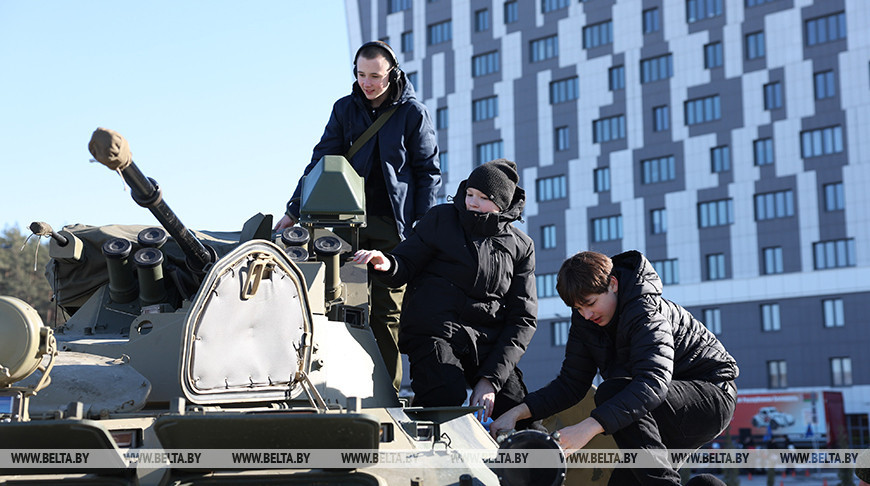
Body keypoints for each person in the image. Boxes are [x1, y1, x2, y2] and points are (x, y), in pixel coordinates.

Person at [489, 250, 739, 485]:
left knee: (612, 391)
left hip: (710, 396)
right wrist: (517, 413)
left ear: (613, 284)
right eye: (578, 308)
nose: (586, 314)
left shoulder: (646, 311)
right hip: (651, 409)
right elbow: (570, 384)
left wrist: (587, 428)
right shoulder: (586, 324)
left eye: (590, 303)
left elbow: (652, 383)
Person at [275, 40, 441, 391]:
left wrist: (421, 228)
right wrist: (292, 209)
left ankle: (387, 393)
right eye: (361, 74)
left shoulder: (413, 114)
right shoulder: (344, 109)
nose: (368, 83)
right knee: (333, 306)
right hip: (344, 224)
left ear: (391, 73)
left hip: (394, 228)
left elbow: (428, 173)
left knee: (386, 314)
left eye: (376, 76)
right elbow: (320, 160)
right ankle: (331, 390)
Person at [352, 159, 536, 423]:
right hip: (435, 333)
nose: (472, 202)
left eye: (484, 198)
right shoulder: (440, 219)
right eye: (470, 193)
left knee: (517, 408)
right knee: (444, 394)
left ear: (502, 204)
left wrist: (490, 381)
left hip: (486, 343)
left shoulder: (520, 246)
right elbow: (406, 261)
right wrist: (387, 263)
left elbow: (523, 318)